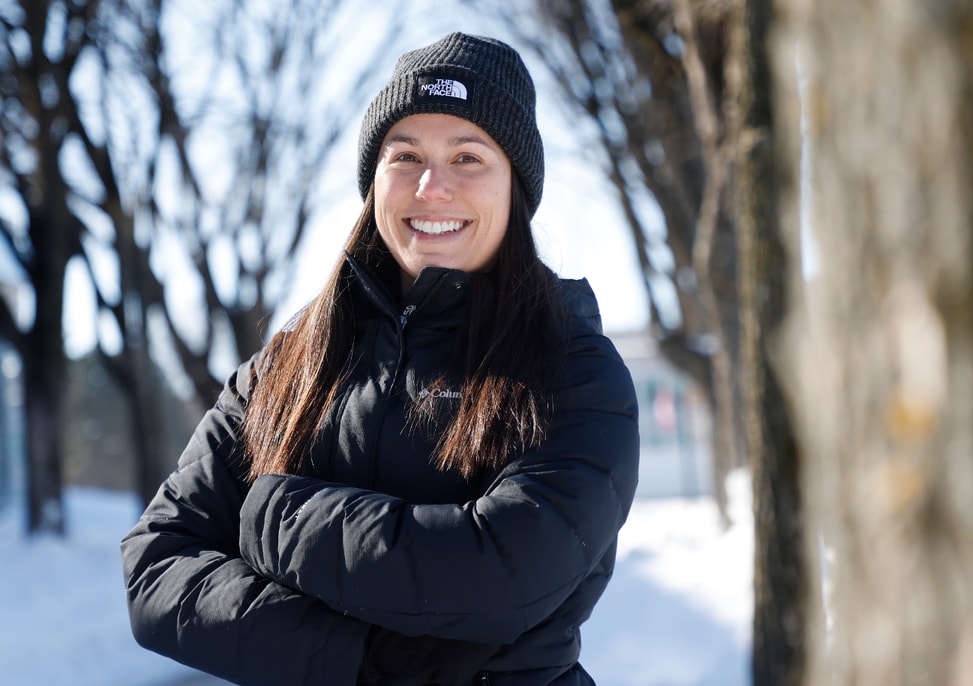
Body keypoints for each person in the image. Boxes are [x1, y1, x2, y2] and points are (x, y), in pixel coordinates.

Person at [121, 32, 640, 686]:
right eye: (406, 156)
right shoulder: (290, 363)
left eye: (469, 157)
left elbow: (502, 577)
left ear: (516, 189)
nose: (432, 186)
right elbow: (155, 566)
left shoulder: (575, 370)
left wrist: (274, 515)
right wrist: (372, 662)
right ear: (374, 181)